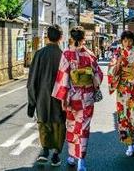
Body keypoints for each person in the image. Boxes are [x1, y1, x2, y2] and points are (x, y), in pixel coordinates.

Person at [52, 26, 103, 171]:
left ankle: (71, 156)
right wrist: (92, 82)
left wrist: (63, 98)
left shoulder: (67, 54)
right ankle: (81, 159)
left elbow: (63, 77)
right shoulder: (90, 54)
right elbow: (98, 75)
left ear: (71, 38)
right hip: (87, 97)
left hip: (72, 97)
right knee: (84, 128)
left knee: (72, 126)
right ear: (83, 39)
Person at [27, 25, 66, 167]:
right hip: (59, 97)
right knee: (59, 125)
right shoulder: (63, 56)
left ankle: (44, 151)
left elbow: (31, 81)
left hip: (41, 97)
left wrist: (31, 102)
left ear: (47, 37)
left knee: (43, 123)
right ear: (61, 38)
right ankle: (56, 154)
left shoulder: (39, 54)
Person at [107, 31, 134, 157]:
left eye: (130, 40)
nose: (128, 43)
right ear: (122, 42)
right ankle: (129, 144)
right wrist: (118, 63)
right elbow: (111, 71)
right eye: (125, 41)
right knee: (124, 116)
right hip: (123, 90)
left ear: (133, 41)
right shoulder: (117, 53)